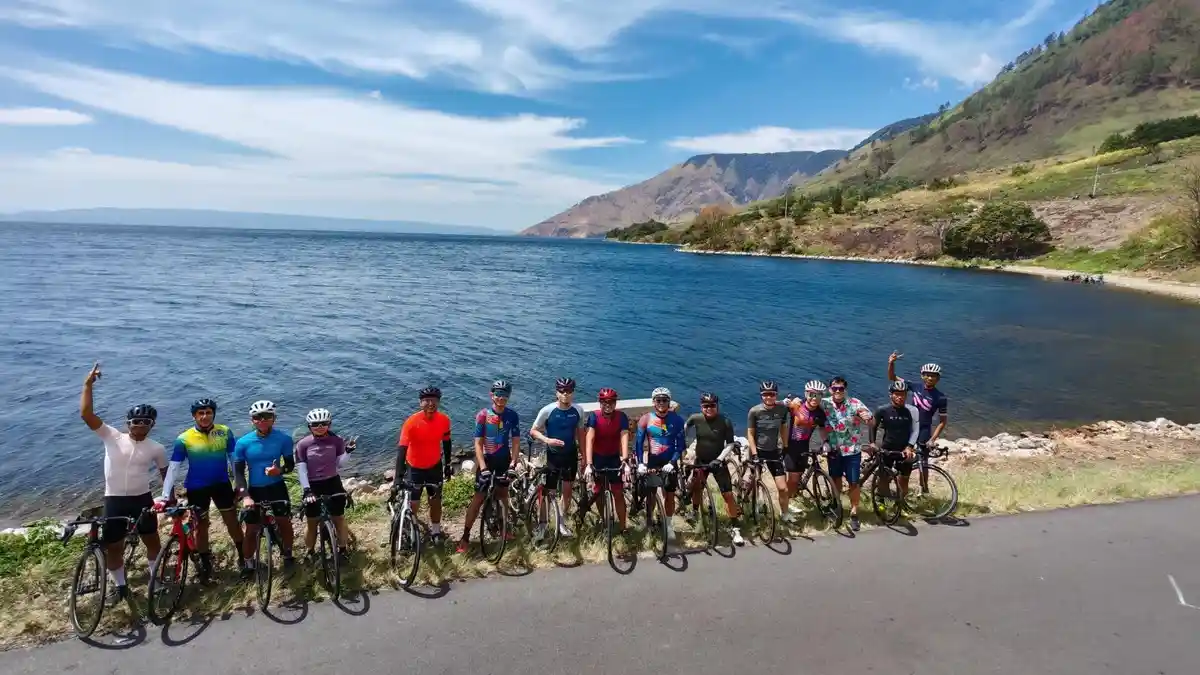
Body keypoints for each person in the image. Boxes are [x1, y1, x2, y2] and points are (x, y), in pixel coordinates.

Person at [79, 362, 168, 603]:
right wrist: (88, 385)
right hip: (114, 500)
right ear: (128, 422)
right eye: (136, 422)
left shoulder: (156, 448)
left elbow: (166, 474)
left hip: (142, 499)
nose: (140, 426)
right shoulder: (111, 436)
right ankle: (120, 587)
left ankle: (154, 579)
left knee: (152, 541)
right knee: (114, 547)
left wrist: (169, 497)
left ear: (152, 425)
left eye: (146, 423)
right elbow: (86, 415)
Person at [157, 398, 245, 581]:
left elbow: (233, 459)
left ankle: (244, 557)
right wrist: (166, 496)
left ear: (213, 414)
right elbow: (174, 467)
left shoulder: (225, 432)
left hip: (221, 484)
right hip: (197, 488)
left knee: (232, 522)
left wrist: (240, 485)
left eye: (208, 412)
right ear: (194, 416)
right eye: (201, 413)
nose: (205, 416)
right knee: (201, 527)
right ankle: (205, 563)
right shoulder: (184, 438)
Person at [233, 400, 297, 578]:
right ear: (251, 420)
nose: (262, 420)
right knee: (252, 529)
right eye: (257, 417)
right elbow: (238, 473)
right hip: (255, 490)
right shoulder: (243, 443)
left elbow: (290, 466)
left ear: (274, 418)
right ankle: (248, 562)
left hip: (277, 487)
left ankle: (288, 554)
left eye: (267, 416)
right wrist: (245, 496)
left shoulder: (283, 439)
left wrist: (280, 470)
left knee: (284, 521)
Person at [457, 380, 522, 554]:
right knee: (478, 498)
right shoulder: (483, 415)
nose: (501, 398)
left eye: (505, 395)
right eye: (498, 394)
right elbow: (478, 444)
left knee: (503, 495)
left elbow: (516, 442)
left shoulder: (512, 416)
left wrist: (513, 463)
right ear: (491, 395)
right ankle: (465, 536)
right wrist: (483, 468)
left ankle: (503, 528)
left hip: (503, 460)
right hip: (487, 460)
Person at [393, 386, 454, 546]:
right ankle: (410, 528)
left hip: (434, 466)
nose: (430, 404)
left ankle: (435, 530)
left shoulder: (444, 420)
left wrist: (448, 464)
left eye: (434, 400)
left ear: (439, 402)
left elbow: (447, 442)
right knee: (414, 504)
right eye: (427, 400)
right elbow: (402, 450)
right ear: (420, 403)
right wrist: (398, 477)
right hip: (414, 468)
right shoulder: (411, 422)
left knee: (435, 501)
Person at [296, 408, 357, 563]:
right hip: (313, 485)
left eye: (324, 423)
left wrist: (348, 452)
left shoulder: (336, 440)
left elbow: (339, 464)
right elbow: (302, 470)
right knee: (312, 522)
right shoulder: (303, 444)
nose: (320, 426)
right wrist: (307, 490)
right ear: (309, 426)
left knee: (339, 518)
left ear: (329, 424)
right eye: (315, 424)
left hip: (332, 482)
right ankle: (310, 551)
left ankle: (343, 549)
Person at [529, 377, 585, 543]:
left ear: (573, 392)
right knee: (548, 492)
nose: (565, 394)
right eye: (562, 391)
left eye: (568, 391)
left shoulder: (578, 411)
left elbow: (581, 434)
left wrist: (585, 458)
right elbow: (533, 430)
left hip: (570, 456)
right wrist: (547, 440)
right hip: (553, 456)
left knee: (567, 492)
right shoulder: (547, 410)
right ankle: (543, 525)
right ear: (557, 392)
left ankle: (561, 522)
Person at [683, 392, 744, 546]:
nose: (709, 408)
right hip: (701, 461)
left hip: (718, 462)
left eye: (712, 405)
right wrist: (683, 449)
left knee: (728, 495)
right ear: (701, 407)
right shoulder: (695, 418)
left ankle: (735, 528)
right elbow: (684, 428)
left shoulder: (725, 421)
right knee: (697, 488)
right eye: (706, 406)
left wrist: (720, 459)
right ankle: (695, 511)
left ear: (717, 405)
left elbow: (730, 443)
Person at [634, 387, 686, 543]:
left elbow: (681, 445)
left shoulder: (677, 420)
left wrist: (672, 462)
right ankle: (649, 522)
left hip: (669, 462)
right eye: (658, 400)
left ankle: (669, 524)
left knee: (669, 495)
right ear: (653, 402)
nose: (662, 403)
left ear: (669, 402)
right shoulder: (645, 419)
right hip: (652, 461)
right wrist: (641, 463)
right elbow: (638, 443)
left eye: (664, 400)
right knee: (651, 494)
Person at [821, 376, 873, 532]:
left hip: (852, 450)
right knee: (835, 479)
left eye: (841, 389)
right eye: (834, 388)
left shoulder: (855, 403)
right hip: (834, 450)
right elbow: (808, 405)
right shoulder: (824, 403)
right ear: (830, 389)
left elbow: (870, 420)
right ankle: (837, 506)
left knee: (853, 482)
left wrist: (867, 418)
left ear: (845, 390)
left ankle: (854, 512)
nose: (837, 391)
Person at [582, 387, 630, 532]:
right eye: (604, 402)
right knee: (598, 492)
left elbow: (624, 437)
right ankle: (604, 519)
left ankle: (623, 527)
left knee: (618, 493)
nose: (607, 404)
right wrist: (589, 464)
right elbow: (589, 439)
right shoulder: (594, 417)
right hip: (598, 458)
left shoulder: (621, 417)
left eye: (611, 402)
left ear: (615, 403)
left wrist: (625, 460)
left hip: (614, 458)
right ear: (600, 403)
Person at [782, 380, 830, 518]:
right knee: (792, 478)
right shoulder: (797, 405)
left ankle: (790, 499)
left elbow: (821, 428)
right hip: (790, 446)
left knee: (796, 478)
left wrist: (825, 441)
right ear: (806, 394)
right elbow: (780, 410)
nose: (814, 398)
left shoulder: (820, 413)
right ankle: (786, 505)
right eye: (811, 394)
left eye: (818, 395)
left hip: (804, 445)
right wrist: (785, 402)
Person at [745, 380, 790, 522]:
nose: (769, 397)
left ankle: (785, 514)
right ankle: (750, 504)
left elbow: (783, 427)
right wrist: (754, 454)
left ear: (776, 395)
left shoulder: (782, 409)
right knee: (755, 483)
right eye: (766, 394)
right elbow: (750, 434)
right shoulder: (755, 411)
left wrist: (786, 446)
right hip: (757, 451)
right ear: (761, 395)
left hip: (774, 451)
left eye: (772, 394)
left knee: (783, 488)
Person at [868, 380, 920, 502]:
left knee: (904, 478)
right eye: (897, 394)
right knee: (884, 477)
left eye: (903, 394)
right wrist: (872, 443)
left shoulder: (911, 411)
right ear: (891, 394)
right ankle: (881, 501)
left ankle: (901, 503)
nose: (900, 397)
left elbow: (915, 430)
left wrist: (909, 446)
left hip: (904, 449)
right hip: (888, 447)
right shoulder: (882, 410)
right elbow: (872, 426)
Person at [887, 352, 949, 450]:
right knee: (900, 453)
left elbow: (942, 422)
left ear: (938, 378)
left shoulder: (941, 397)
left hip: (924, 429)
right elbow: (892, 377)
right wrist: (891, 363)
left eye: (933, 376)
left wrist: (932, 439)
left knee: (922, 458)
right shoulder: (915, 386)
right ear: (922, 376)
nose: (930, 378)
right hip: (908, 424)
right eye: (927, 375)